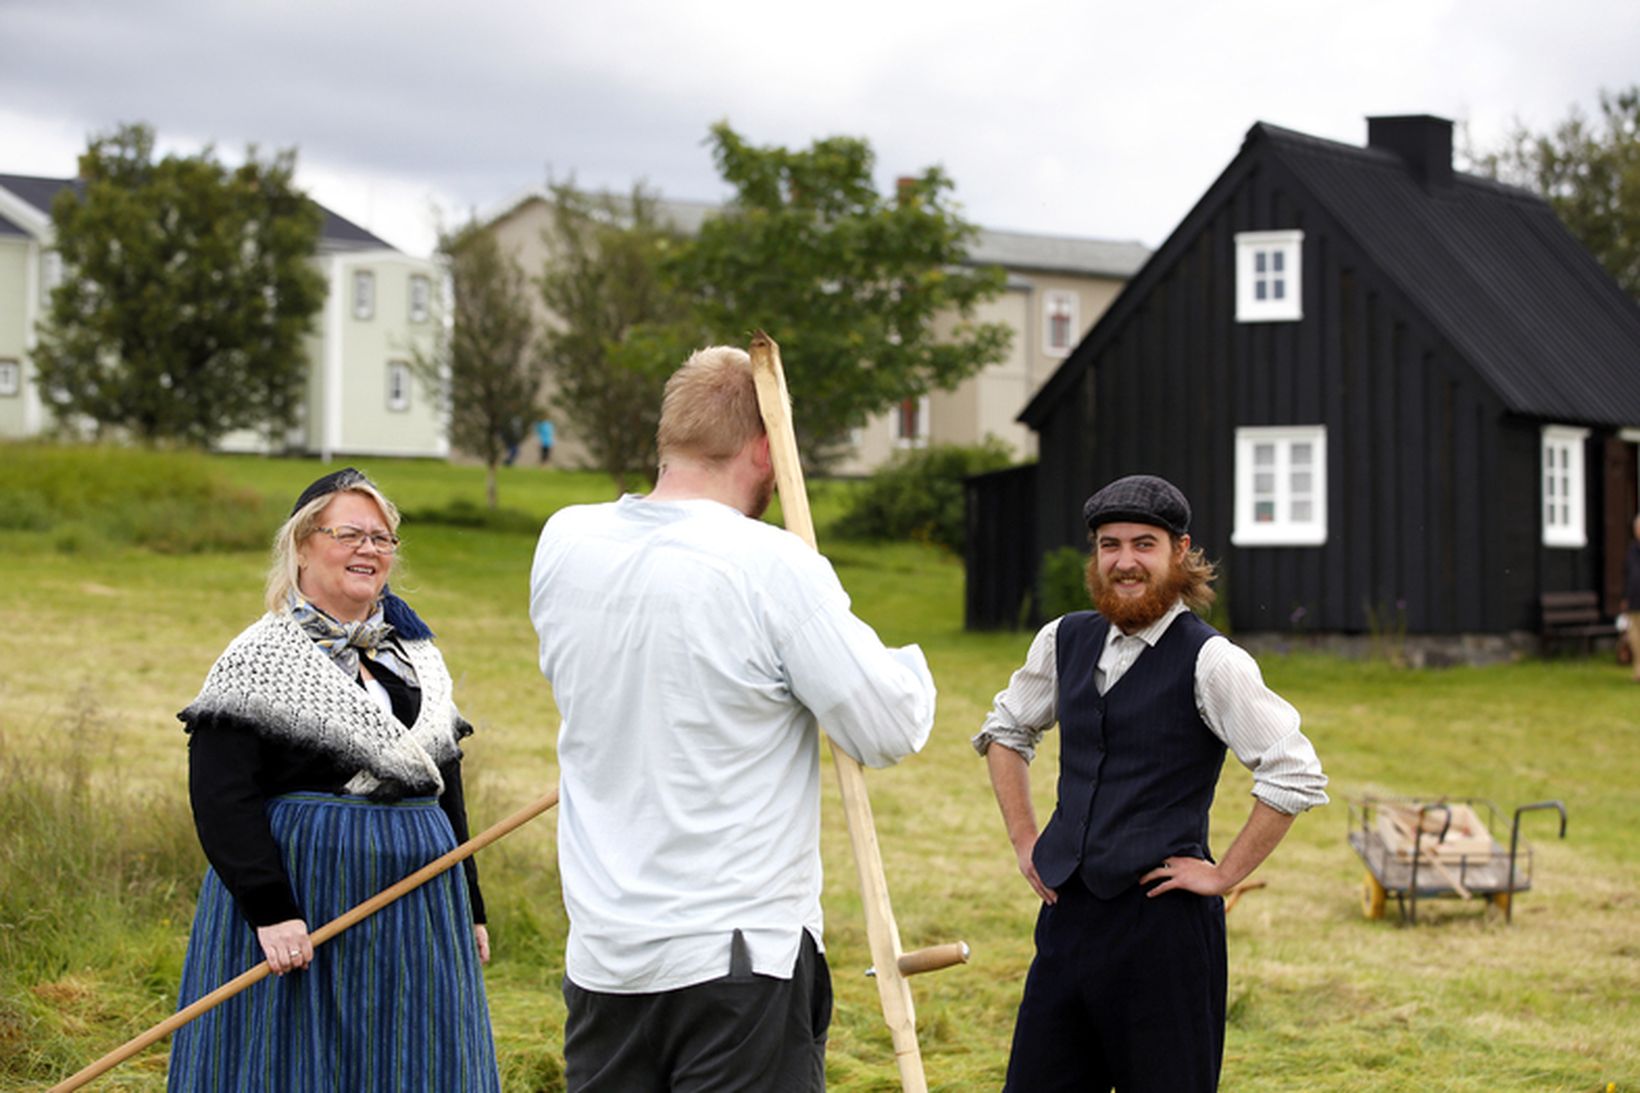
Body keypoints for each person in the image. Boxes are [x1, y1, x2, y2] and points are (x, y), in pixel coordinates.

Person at [529, 345, 936, 1091]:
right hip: (736, 957)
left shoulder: (564, 543)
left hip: (607, 955)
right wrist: (902, 663)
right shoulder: (771, 564)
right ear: (764, 447)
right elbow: (888, 723)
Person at [975, 474, 1328, 1093]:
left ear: (1180, 551)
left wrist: (1221, 876)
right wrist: (1025, 837)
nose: (1125, 561)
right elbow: (1006, 731)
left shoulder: (1213, 661)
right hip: (1068, 918)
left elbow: (1293, 771)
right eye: (1110, 545)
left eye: (1144, 544)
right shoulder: (1064, 639)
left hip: (1163, 933)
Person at [168, 468, 500, 1092]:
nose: (369, 550)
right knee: (292, 1061)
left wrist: (469, 903)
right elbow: (222, 795)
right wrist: (270, 910)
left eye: (382, 539)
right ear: (301, 545)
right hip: (307, 892)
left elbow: (445, 788)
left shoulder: (419, 658)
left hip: (418, 900)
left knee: (414, 1054)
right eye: (349, 534)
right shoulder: (258, 658)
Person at [1625, 514, 1640, 679]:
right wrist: (1625, 597)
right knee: (1635, 640)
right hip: (1634, 601)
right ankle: (1638, 672)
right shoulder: (1632, 550)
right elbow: (1627, 575)